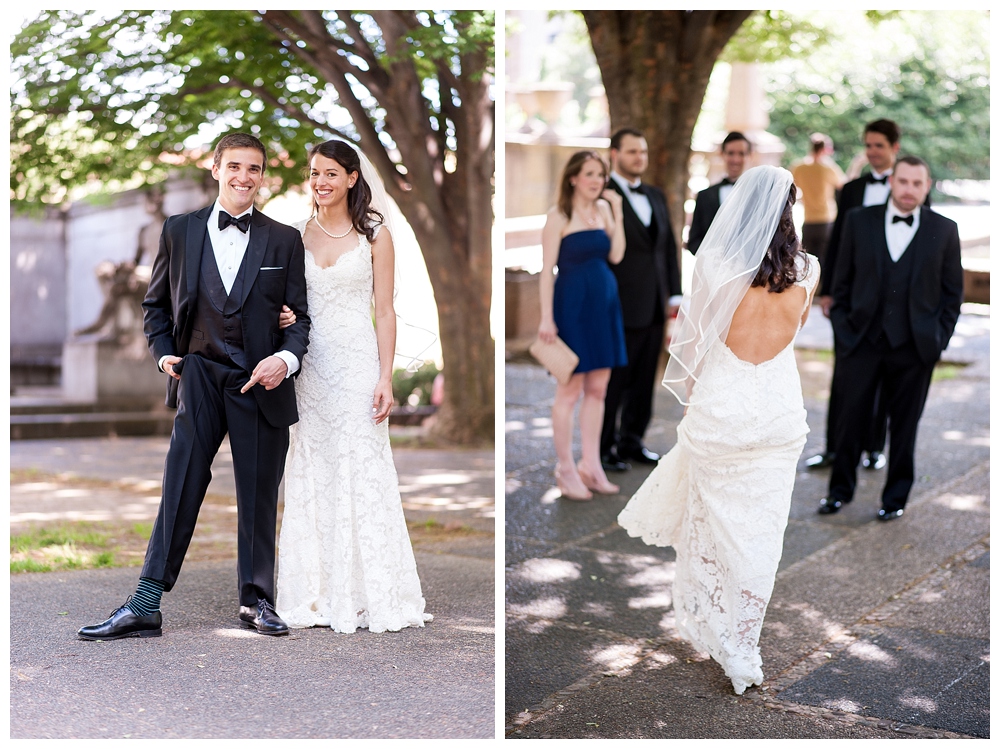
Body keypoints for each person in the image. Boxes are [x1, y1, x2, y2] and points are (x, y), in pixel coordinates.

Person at [78, 133, 311, 640]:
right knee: (180, 482)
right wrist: (164, 354)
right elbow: (155, 305)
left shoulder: (284, 239)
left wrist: (286, 358)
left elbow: (299, 319)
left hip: (260, 381)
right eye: (235, 167)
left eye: (254, 168)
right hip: (199, 374)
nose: (244, 177)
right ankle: (145, 603)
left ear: (262, 173)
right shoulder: (179, 231)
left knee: (257, 494)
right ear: (216, 168)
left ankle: (257, 602)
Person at [618, 166, 819, 694]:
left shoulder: (714, 264)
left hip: (722, 409)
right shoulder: (808, 269)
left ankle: (719, 626)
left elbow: (696, 340)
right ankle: (744, 641)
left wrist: (691, 407)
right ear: (789, 210)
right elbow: (795, 331)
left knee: (713, 524)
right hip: (778, 413)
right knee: (763, 533)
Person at [274, 139, 432, 632]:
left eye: (330, 174)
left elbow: (384, 310)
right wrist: (282, 316)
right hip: (311, 367)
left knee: (362, 465)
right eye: (314, 173)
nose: (320, 183)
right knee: (313, 465)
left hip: (359, 362)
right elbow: (287, 301)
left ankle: (371, 592)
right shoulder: (297, 235)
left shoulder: (375, 235)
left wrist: (386, 376)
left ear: (352, 178)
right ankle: (317, 592)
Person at [818, 156, 962, 521]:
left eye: (917, 183)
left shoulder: (944, 230)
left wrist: (937, 340)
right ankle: (839, 492)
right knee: (851, 420)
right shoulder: (857, 221)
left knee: (905, 425)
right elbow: (840, 282)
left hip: (915, 348)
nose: (909, 189)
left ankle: (895, 498)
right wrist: (844, 328)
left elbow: (951, 295)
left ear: (927, 186)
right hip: (861, 341)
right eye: (903, 181)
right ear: (892, 182)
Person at [806, 119, 928, 471]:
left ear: (894, 147)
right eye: (868, 145)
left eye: (879, 145)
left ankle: (874, 447)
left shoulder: (913, 189)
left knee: (885, 376)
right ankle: (834, 448)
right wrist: (829, 292)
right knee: (845, 376)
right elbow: (838, 241)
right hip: (854, 302)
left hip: (896, 305)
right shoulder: (852, 189)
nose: (872, 151)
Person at [538, 150, 627, 500]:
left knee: (599, 389)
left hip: (604, 306)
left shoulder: (604, 210)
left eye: (601, 175)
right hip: (572, 307)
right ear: (573, 177)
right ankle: (565, 467)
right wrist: (546, 318)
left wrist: (616, 212)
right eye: (590, 174)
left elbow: (617, 255)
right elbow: (546, 270)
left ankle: (591, 464)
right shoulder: (558, 215)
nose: (597, 181)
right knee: (570, 389)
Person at [600, 128, 683, 472]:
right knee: (614, 381)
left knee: (645, 376)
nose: (640, 158)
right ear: (614, 155)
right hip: (617, 303)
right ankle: (604, 448)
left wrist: (674, 293)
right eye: (633, 152)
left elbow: (667, 247)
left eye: (643, 152)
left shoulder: (655, 195)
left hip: (654, 304)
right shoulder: (603, 195)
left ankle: (633, 441)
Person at [687, 131, 751, 255]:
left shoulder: (758, 195)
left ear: (750, 155)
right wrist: (712, 261)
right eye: (731, 153)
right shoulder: (704, 196)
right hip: (712, 271)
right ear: (722, 154)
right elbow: (694, 240)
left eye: (741, 154)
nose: (736, 159)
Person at [791, 132, 846, 269]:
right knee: (826, 263)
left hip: (808, 221)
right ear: (825, 149)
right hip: (826, 220)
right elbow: (844, 185)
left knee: (808, 265)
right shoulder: (828, 168)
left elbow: (790, 186)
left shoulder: (799, 167)